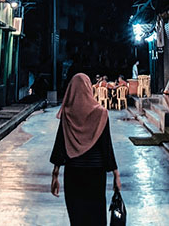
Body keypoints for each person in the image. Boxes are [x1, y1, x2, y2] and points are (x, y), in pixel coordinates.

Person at [50, 73, 121, 226]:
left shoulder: (67, 114)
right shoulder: (100, 113)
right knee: (96, 216)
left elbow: (60, 144)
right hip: (96, 173)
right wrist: (116, 174)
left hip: (73, 173)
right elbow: (106, 146)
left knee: (77, 218)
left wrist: (55, 175)